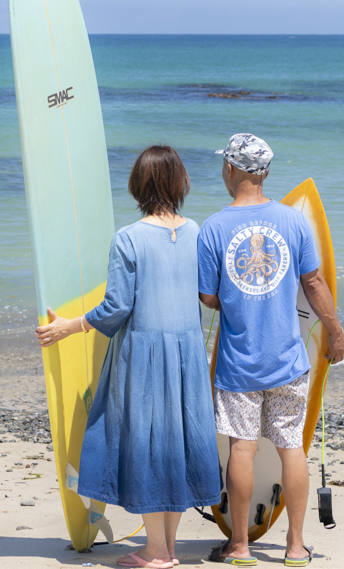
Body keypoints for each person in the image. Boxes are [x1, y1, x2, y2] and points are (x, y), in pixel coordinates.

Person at [36, 145, 220, 569]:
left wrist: (68, 326)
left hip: (145, 354)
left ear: (139, 184)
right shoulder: (196, 231)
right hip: (187, 353)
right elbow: (207, 294)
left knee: (148, 445)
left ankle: (157, 553)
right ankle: (167, 547)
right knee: (176, 444)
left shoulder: (129, 238)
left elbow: (116, 307)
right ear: (180, 183)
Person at [198, 133, 344, 569]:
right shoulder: (294, 222)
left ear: (230, 169)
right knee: (290, 448)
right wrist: (335, 332)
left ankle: (240, 546)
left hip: (239, 363)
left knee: (242, 449)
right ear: (264, 173)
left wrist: (237, 298)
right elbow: (314, 283)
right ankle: (296, 548)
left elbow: (207, 297)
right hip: (287, 361)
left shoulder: (214, 227)